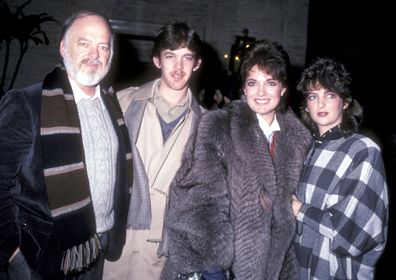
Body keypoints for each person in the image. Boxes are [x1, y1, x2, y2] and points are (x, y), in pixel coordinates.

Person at [159, 39, 312, 280]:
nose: (261, 93)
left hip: (276, 268)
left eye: (270, 83)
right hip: (223, 268)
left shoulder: (300, 140)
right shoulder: (219, 127)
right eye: (253, 83)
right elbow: (196, 201)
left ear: (283, 88)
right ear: (244, 89)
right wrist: (212, 267)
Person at [0, 10, 133, 279]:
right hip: (41, 254)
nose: (94, 54)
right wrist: (13, 251)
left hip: (97, 247)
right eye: (84, 43)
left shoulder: (112, 105)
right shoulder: (27, 103)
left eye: (103, 46)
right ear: (63, 47)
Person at [103, 22, 205, 279]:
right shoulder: (123, 103)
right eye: (170, 56)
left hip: (164, 248)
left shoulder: (206, 124)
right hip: (118, 237)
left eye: (187, 58)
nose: (178, 67)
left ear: (197, 64)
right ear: (157, 60)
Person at [291, 58, 389, 279]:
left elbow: (356, 234)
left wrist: (299, 209)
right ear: (306, 104)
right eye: (313, 96)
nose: (321, 104)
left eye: (330, 95)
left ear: (345, 102)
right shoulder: (303, 148)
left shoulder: (363, 150)